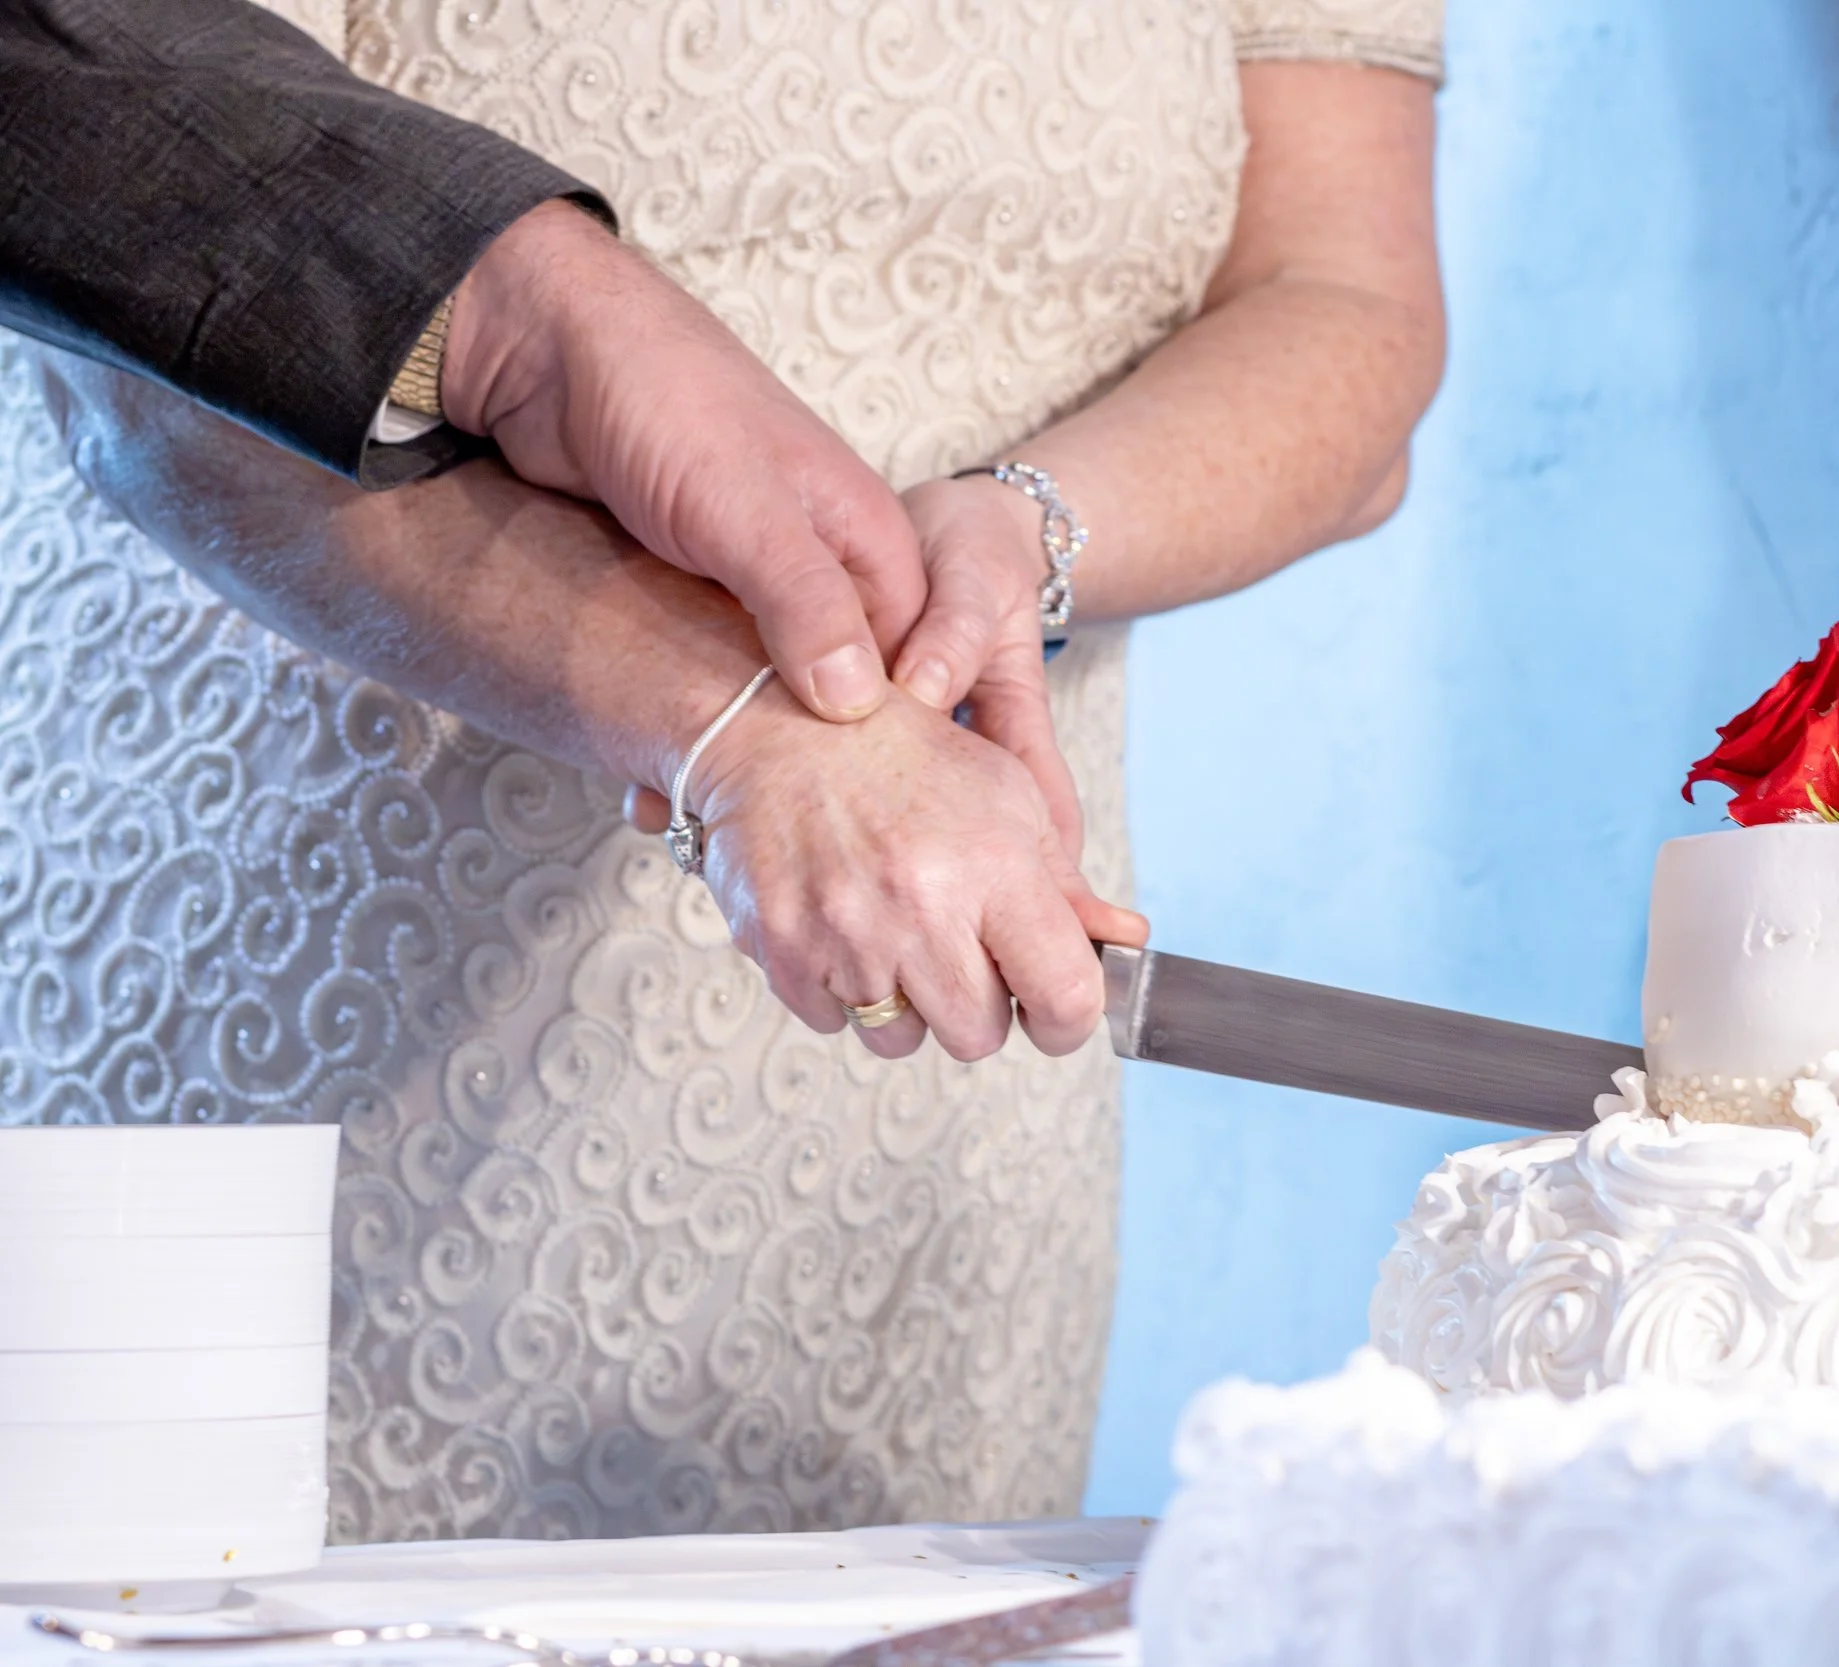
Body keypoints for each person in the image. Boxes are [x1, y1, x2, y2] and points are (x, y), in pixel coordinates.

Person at [0, 0, 1443, 1536]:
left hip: (936, 1021)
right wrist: (746, 722)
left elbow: (1341, 298)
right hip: (290, 998)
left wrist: (1022, 532)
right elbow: (148, 286)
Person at [3, 0, 926, 728]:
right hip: (310, 740)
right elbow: (131, 333)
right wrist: (748, 729)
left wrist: (1022, 513)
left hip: (989, 773)